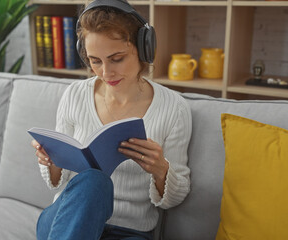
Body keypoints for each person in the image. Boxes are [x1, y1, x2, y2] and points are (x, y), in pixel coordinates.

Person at [31, 0, 192, 239]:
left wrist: (161, 170)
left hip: (128, 231)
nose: (106, 72)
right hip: (65, 220)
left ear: (144, 48)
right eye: (95, 61)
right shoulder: (75, 95)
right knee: (95, 181)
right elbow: (56, 183)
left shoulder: (174, 108)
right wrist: (51, 159)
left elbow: (173, 200)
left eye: (116, 58)